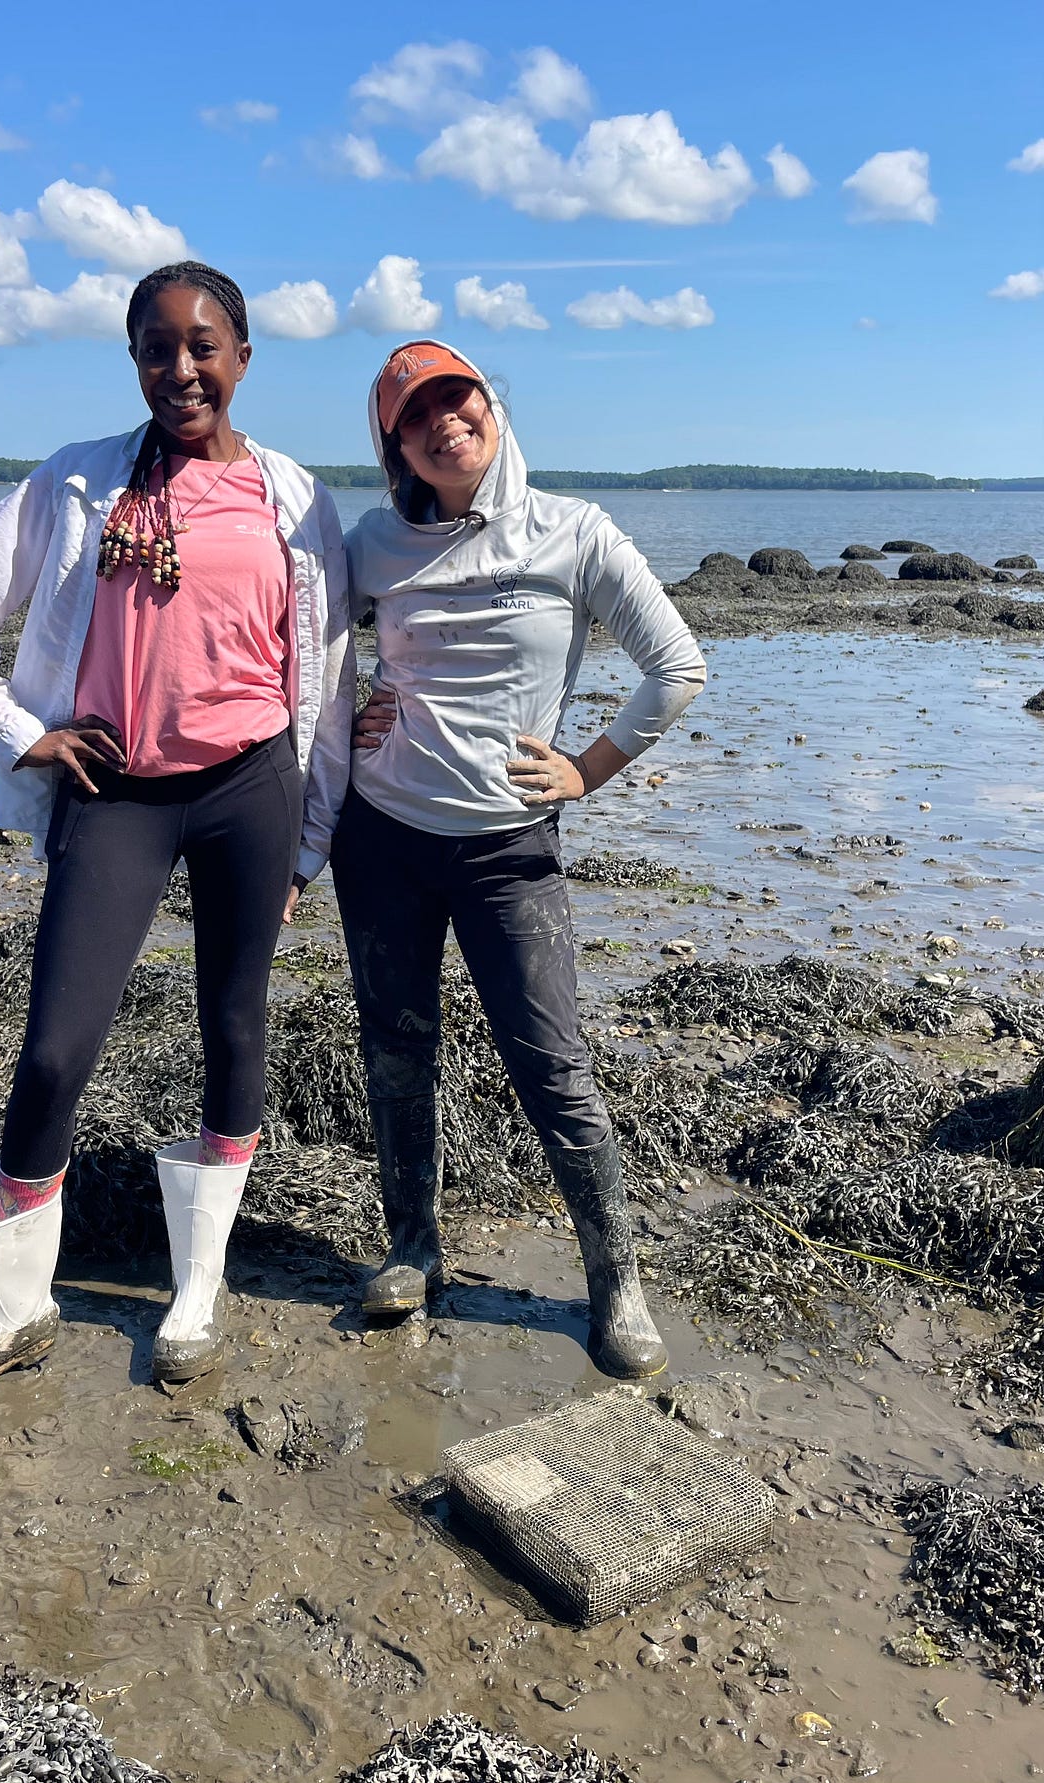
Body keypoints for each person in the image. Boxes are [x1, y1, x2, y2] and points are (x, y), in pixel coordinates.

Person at [0, 262, 353, 1416]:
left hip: (251, 786)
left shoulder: (295, 498)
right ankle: (11, 1309)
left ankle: (196, 1289)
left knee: (233, 1025)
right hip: (115, 793)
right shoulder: (76, 481)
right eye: (157, 347)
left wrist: (309, 842)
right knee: (56, 1048)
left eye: (203, 345)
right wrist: (20, 733)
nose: (180, 367)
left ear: (242, 358)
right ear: (135, 361)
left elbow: (329, 677)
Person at [332, 341, 706, 1379]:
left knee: (552, 1065)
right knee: (395, 1048)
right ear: (395, 447)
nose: (443, 423)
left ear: (491, 408)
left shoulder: (574, 531)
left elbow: (675, 666)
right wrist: (343, 713)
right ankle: (412, 1247)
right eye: (416, 416)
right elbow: (295, 641)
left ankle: (615, 1281)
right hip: (382, 837)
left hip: (508, 848)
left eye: (458, 400)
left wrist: (587, 769)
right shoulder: (371, 543)